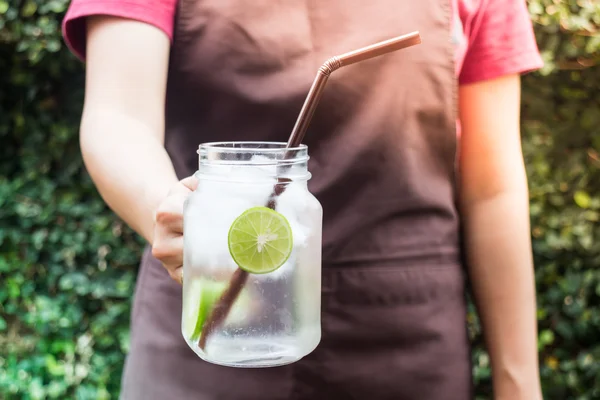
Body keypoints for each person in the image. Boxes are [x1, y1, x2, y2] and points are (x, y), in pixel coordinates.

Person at [62, 0, 544, 399]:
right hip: (212, 316)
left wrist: (519, 383)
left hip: (406, 337)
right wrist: (167, 209)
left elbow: (493, 186)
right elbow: (117, 118)